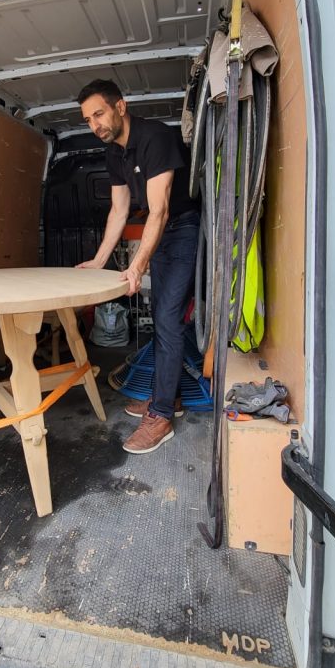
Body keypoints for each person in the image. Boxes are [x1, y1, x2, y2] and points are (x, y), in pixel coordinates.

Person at [76, 79, 200, 454]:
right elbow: (119, 210)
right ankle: (170, 397)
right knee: (162, 316)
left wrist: (136, 265)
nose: (94, 124)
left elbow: (160, 209)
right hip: (161, 231)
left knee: (166, 319)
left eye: (98, 113)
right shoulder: (114, 152)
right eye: (87, 120)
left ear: (121, 106)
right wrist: (99, 261)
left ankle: (161, 415)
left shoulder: (155, 137)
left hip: (183, 228)